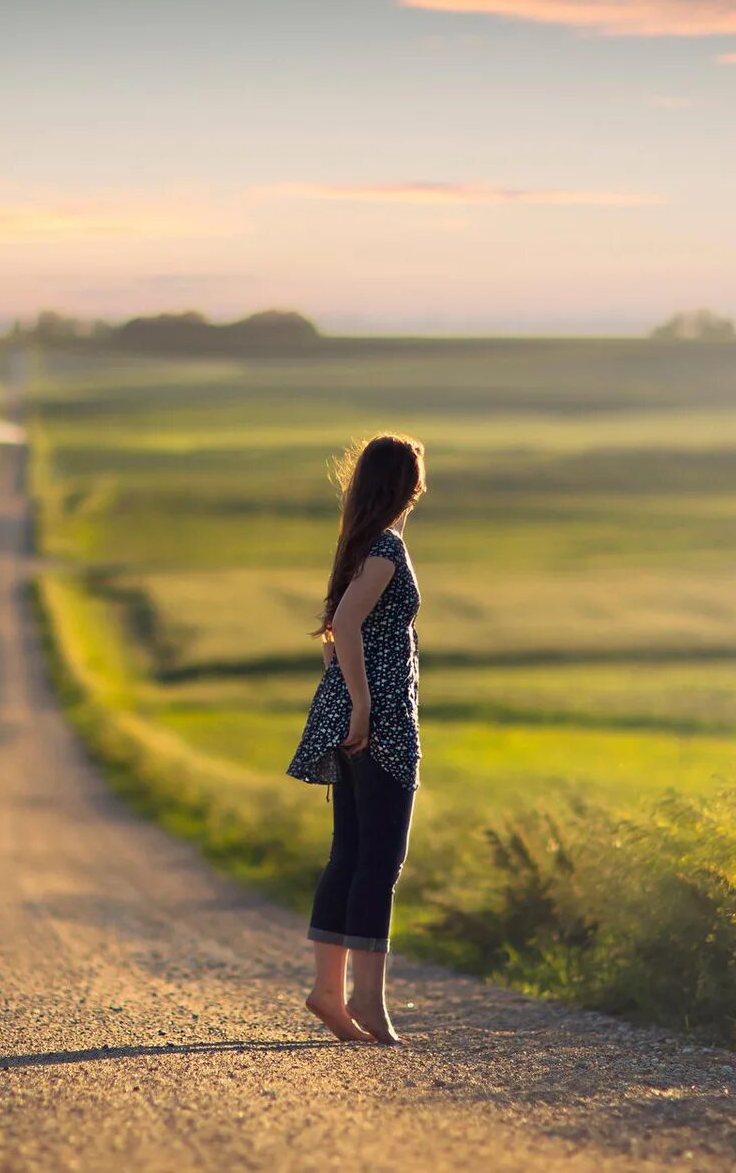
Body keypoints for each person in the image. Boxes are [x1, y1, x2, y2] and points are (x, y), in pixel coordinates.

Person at [285, 434, 425, 1045]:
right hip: (383, 717)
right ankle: (367, 1000)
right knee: (380, 860)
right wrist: (364, 705)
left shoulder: (359, 548)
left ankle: (330, 990)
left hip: (354, 712)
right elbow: (343, 626)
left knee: (349, 853)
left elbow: (331, 637)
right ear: (407, 485)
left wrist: (343, 699)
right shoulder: (387, 550)